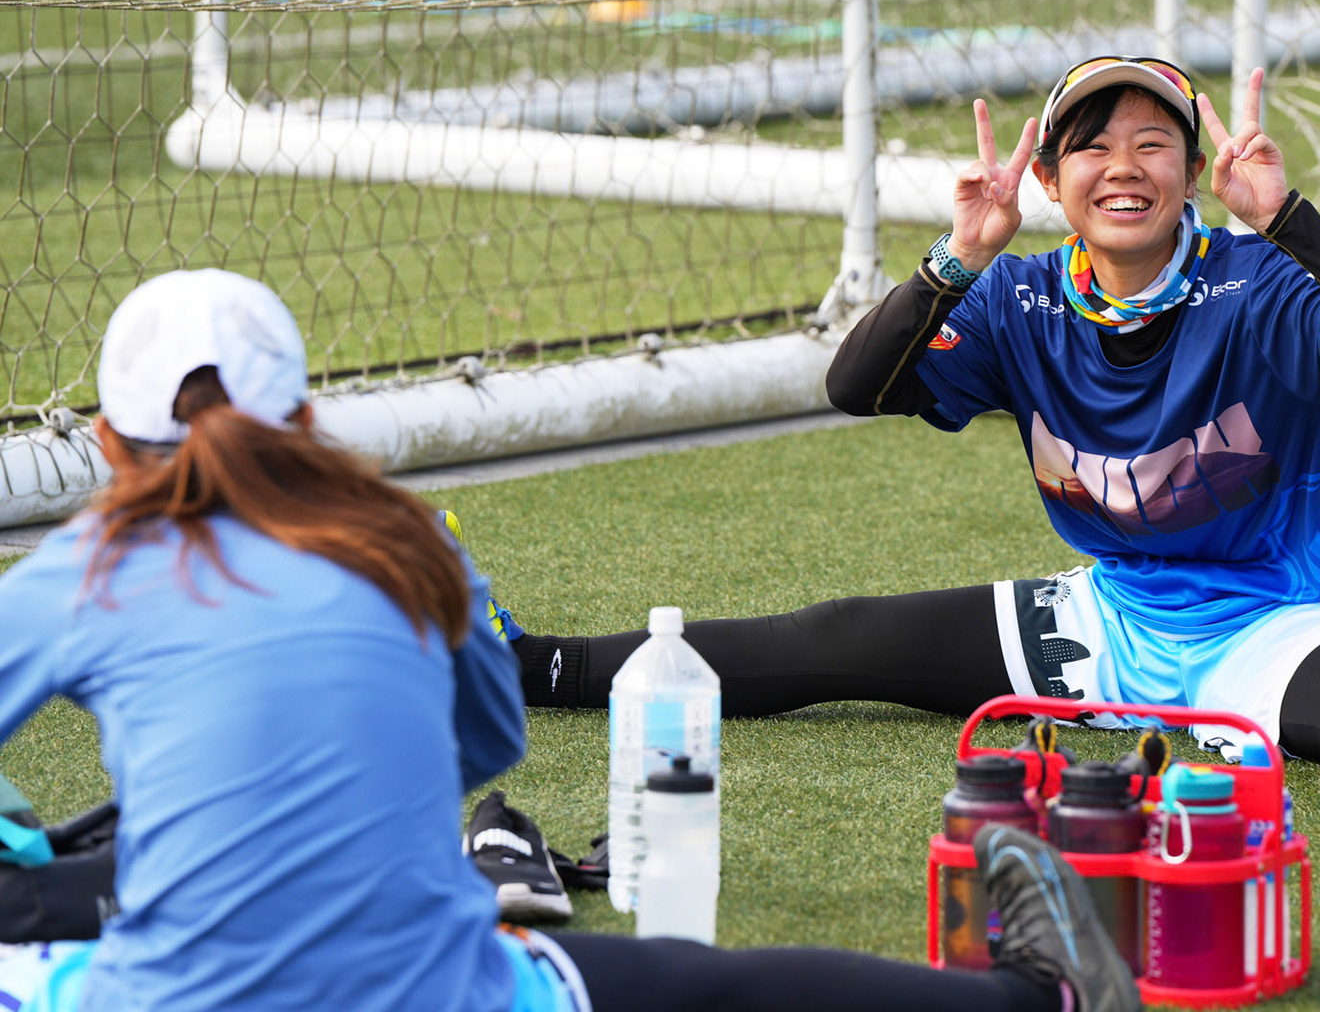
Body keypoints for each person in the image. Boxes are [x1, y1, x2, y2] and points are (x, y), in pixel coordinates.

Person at [0, 269, 1137, 1012]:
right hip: (441, 987)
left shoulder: (80, 566)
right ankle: (1035, 998)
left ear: (106, 441)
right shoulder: (406, 537)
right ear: (303, 415)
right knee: (705, 987)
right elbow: (480, 746)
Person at [504, 56, 1320, 855]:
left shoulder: (1262, 281)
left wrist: (1287, 219)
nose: (1124, 167)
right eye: (1092, 147)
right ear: (1050, 177)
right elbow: (855, 387)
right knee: (841, 636)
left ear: (1195, 171)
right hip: (1118, 615)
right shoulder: (1019, 296)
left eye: (1153, 143)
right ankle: (538, 665)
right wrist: (959, 256)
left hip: (1285, 612)